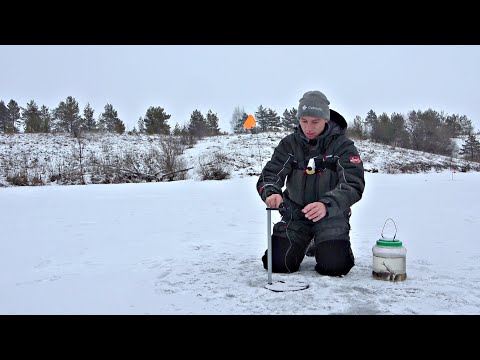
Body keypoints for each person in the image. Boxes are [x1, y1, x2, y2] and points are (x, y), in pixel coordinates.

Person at [256, 90, 365, 277]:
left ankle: (323, 242)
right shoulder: (289, 144)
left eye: (315, 121)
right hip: (296, 215)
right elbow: (270, 174)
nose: (309, 127)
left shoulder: (343, 146)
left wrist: (326, 204)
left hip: (331, 216)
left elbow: (353, 184)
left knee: (334, 266)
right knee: (277, 264)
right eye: (304, 121)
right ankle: (305, 241)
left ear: (326, 119)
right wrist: (271, 192)